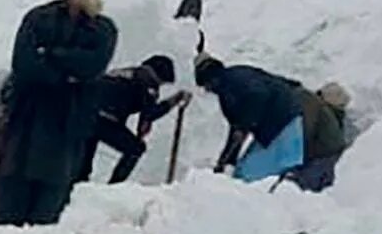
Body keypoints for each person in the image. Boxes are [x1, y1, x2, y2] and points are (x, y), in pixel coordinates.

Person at [0, 0, 118, 226]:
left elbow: (93, 66)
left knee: (49, 204)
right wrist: (65, 74)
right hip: (28, 119)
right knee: (12, 201)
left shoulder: (104, 29)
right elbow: (24, 64)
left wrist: (51, 55)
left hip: (69, 123)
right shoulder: (38, 19)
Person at [198, 56, 348, 192]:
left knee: (249, 177)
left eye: (205, 85)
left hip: (283, 126)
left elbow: (258, 96)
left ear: (210, 79)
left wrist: (246, 124)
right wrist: (226, 160)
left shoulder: (233, 82)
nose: (206, 90)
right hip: (277, 127)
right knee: (245, 171)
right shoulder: (233, 82)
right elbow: (237, 129)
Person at [86, 53, 185, 183]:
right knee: (136, 149)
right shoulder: (148, 81)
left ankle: (78, 189)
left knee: (84, 164)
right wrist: (174, 100)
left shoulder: (125, 72)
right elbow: (150, 113)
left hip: (85, 115)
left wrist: (143, 124)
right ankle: (114, 187)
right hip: (106, 120)